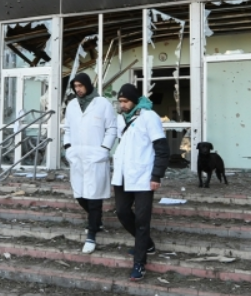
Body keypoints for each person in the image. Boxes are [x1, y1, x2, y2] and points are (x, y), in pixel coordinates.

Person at [112, 83, 170, 281]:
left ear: (135, 100)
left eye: (126, 101)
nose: (123, 105)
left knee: (142, 221)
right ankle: (147, 244)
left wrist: (156, 176)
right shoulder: (122, 119)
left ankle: (139, 263)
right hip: (123, 176)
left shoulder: (149, 117)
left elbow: (162, 149)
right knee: (121, 211)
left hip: (144, 176)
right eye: (120, 101)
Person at [63, 73, 117, 254]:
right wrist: (68, 148)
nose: (77, 89)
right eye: (75, 86)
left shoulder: (103, 104)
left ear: (87, 85)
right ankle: (97, 220)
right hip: (77, 156)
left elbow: (111, 128)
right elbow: (67, 129)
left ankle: (91, 234)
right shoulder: (71, 106)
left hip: (96, 156)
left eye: (80, 85)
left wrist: (104, 149)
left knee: (94, 198)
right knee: (79, 194)